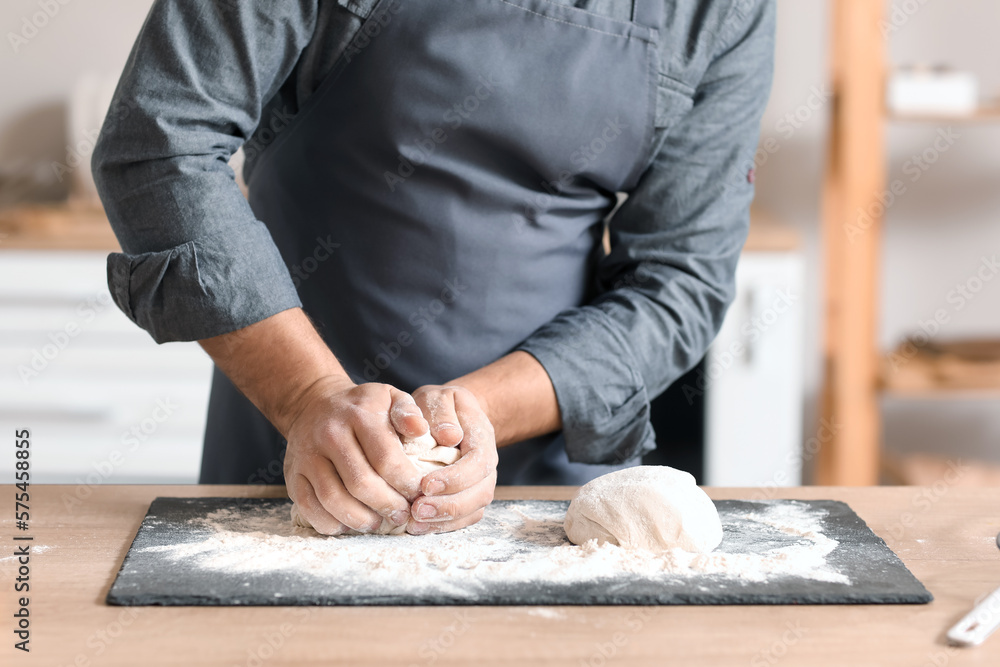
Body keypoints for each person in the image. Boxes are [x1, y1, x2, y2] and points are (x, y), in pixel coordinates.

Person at [92, 0, 775, 536]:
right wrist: (310, 399)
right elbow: (159, 142)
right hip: (290, 462)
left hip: (545, 507)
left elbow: (679, 278)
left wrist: (462, 422)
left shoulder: (721, 9)